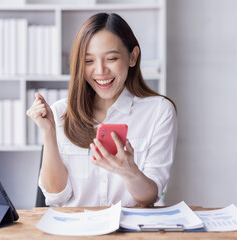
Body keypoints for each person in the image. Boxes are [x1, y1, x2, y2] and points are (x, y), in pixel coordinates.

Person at [26, 12, 177, 207]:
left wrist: (128, 171)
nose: (100, 71)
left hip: (129, 233)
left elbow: (149, 198)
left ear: (133, 57)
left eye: (111, 58)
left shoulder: (159, 112)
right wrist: (49, 132)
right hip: (76, 232)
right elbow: (56, 198)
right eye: (89, 61)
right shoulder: (60, 112)